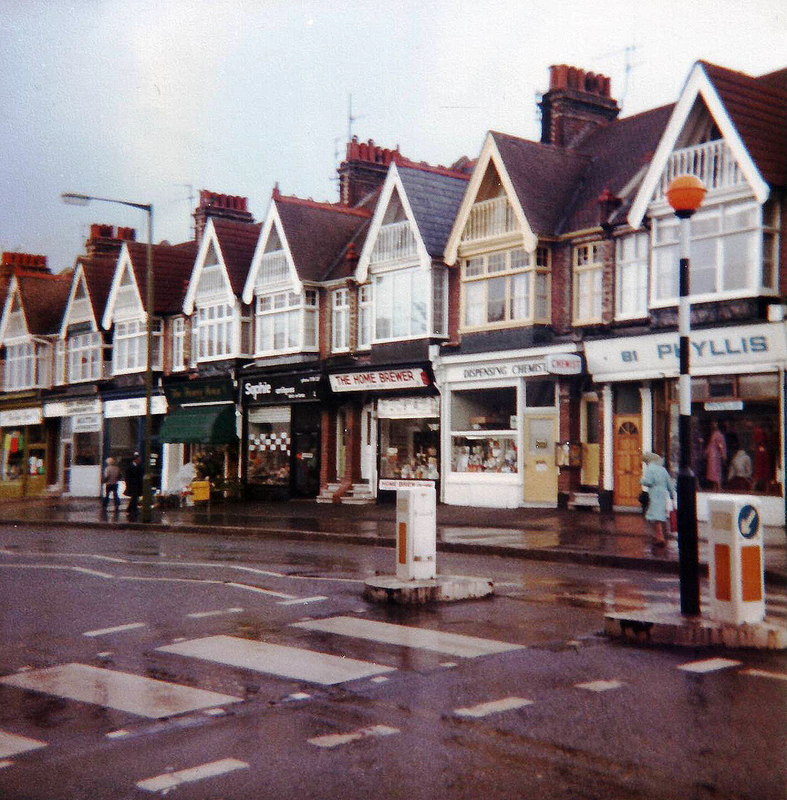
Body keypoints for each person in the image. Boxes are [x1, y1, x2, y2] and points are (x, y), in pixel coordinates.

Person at [641, 452, 675, 548]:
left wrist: (642, 481)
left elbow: (648, 481)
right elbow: (669, 483)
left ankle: (660, 537)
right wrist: (672, 494)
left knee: (656, 517)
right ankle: (658, 536)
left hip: (654, 494)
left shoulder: (650, 469)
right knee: (659, 516)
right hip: (663, 494)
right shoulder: (663, 470)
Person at [704, 420, 727, 491]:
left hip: (712, 454)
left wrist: (706, 452)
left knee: (714, 471)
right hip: (715, 455)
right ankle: (718, 487)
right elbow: (720, 446)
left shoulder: (714, 434)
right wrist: (723, 454)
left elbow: (712, 445)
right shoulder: (718, 435)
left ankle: (715, 487)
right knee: (717, 471)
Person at [124, 452, 144, 517]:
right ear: (135, 460)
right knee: (134, 498)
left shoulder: (139, 466)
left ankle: (131, 510)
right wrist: (128, 484)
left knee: (135, 498)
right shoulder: (130, 467)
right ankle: (131, 510)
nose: (140, 460)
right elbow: (127, 477)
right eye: (139, 459)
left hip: (138, 485)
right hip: (132, 485)